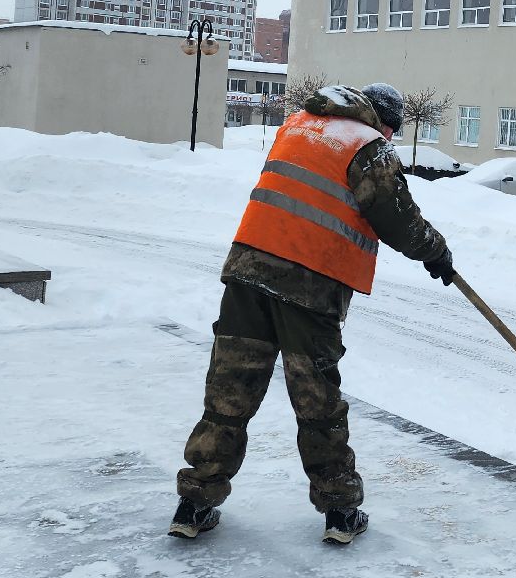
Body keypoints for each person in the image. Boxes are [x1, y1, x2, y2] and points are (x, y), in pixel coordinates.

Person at [169, 82, 456, 545]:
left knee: (229, 392)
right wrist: (435, 252)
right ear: (383, 121)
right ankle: (340, 511)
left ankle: (194, 502)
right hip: (310, 282)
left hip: (248, 271)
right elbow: (394, 213)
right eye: (391, 129)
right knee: (317, 400)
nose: (390, 137)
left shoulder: (298, 126)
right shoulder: (367, 144)